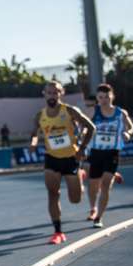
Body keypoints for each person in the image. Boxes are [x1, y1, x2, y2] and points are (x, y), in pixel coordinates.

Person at [28, 81, 96, 244]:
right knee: (53, 194)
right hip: (51, 158)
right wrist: (33, 142)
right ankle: (58, 231)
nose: (52, 96)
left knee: (75, 199)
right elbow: (34, 133)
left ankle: (80, 175)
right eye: (49, 93)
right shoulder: (40, 115)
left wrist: (81, 149)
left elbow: (91, 127)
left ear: (61, 93)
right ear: (44, 94)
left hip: (71, 158)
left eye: (55, 92)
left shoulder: (70, 111)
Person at [85, 83, 133, 227]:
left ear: (112, 96)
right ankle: (93, 207)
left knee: (105, 185)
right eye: (101, 97)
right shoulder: (92, 112)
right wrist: (82, 133)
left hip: (112, 152)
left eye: (107, 96)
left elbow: (131, 126)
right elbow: (81, 125)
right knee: (94, 185)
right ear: (97, 99)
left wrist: (127, 133)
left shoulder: (121, 113)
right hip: (96, 153)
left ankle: (98, 217)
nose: (104, 100)